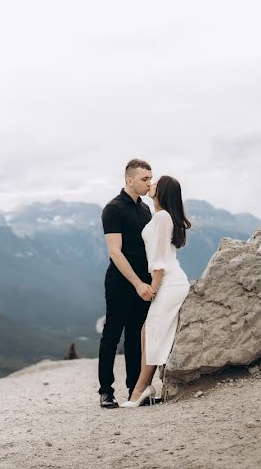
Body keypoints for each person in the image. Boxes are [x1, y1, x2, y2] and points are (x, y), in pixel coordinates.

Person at [120, 174, 192, 407]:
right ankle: (146, 387)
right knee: (147, 331)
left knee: (150, 331)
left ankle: (140, 390)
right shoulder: (160, 216)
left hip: (169, 282)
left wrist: (153, 286)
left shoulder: (162, 217)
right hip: (168, 280)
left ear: (162, 192)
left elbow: (160, 258)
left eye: (155, 184)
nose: (150, 185)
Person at [98, 158, 155, 409]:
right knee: (112, 334)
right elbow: (115, 252)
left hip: (143, 282)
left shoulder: (145, 210)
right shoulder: (113, 209)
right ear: (129, 180)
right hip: (121, 282)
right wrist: (136, 283)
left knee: (135, 335)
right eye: (144, 179)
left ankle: (135, 389)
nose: (148, 183)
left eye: (150, 179)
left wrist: (150, 281)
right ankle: (105, 391)